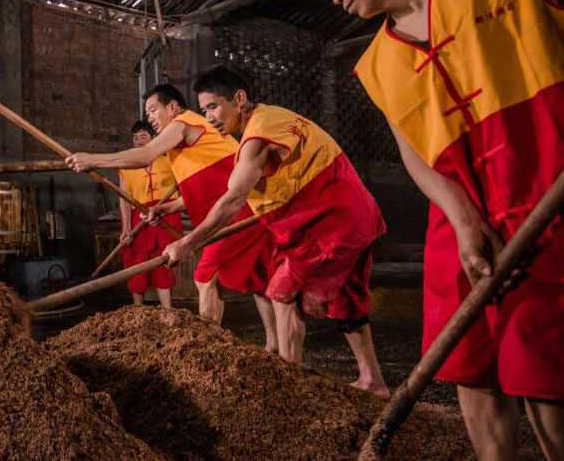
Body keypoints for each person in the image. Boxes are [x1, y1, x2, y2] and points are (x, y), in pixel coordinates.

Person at [318, 0, 564, 457]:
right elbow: (415, 154)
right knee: (471, 378)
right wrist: (463, 219)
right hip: (459, 228)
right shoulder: (376, 63)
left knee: (551, 392)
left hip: (550, 212)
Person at [164, 64, 389, 398]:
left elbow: (232, 199)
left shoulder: (256, 137)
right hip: (358, 215)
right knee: (349, 302)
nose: (208, 117)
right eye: (203, 110)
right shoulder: (274, 117)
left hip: (330, 223)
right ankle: (373, 381)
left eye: (212, 107)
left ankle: (289, 387)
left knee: (280, 293)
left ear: (239, 99)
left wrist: (187, 242)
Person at [67, 85, 278, 352]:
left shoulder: (182, 123)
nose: (151, 117)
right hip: (233, 211)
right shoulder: (188, 139)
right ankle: (273, 345)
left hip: (233, 212)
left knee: (205, 277)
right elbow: (206, 188)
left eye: (154, 110)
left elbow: (144, 157)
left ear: (173, 107)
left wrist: (92, 159)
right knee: (257, 280)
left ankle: (208, 346)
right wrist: (167, 207)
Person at [117, 121, 183, 308]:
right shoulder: (126, 166)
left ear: (154, 138)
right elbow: (124, 198)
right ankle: (138, 310)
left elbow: (184, 185)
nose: (138, 141)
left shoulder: (169, 160)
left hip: (166, 215)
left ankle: (167, 310)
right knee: (137, 262)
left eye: (143, 136)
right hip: (140, 217)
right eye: (135, 137)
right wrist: (127, 227)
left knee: (164, 261)